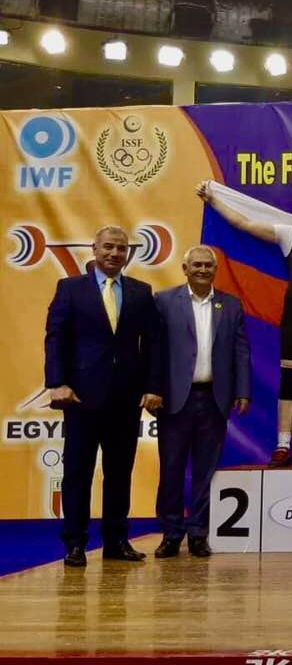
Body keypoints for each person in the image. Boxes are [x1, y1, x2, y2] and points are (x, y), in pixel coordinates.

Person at [196, 180, 292, 468]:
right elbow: (244, 223)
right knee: (289, 383)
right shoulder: (289, 233)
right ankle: (282, 446)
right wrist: (214, 200)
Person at [44, 225, 164, 567]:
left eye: (121, 248)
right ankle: (74, 544)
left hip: (126, 398)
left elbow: (153, 344)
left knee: (119, 472)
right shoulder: (70, 288)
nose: (114, 253)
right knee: (77, 472)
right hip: (81, 397)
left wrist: (153, 387)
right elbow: (55, 337)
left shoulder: (141, 292)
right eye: (108, 247)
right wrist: (57, 382)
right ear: (94, 249)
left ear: (128, 254)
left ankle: (116, 541)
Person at [153, 246, 251, 558]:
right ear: (185, 269)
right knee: (171, 469)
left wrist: (243, 390)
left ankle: (198, 533)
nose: (203, 270)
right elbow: (153, 350)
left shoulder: (230, 305)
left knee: (205, 471)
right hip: (174, 400)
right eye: (196, 264)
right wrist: (152, 389)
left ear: (215, 270)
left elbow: (241, 351)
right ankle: (171, 533)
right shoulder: (164, 301)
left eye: (208, 265)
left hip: (214, 398)